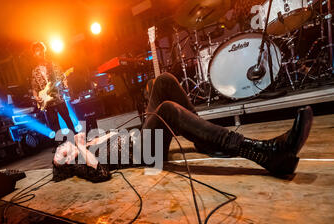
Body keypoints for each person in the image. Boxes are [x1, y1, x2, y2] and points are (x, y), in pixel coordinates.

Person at [52, 72, 313, 182]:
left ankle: (204, 139)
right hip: (145, 153)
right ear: (67, 164)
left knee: (163, 81)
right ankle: (266, 153)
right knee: (167, 109)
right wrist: (80, 149)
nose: (64, 146)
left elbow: (108, 136)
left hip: (141, 135)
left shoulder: (87, 145)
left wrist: (85, 141)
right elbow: (101, 175)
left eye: (61, 147)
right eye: (61, 155)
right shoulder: (84, 166)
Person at [30, 41, 76, 134]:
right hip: (47, 102)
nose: (39, 52)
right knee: (55, 126)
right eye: (37, 51)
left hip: (58, 98)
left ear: (44, 51)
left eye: (41, 50)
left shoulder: (54, 65)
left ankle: (76, 139)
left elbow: (62, 76)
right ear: (34, 54)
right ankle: (62, 144)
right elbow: (34, 88)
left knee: (68, 120)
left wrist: (65, 83)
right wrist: (36, 97)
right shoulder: (34, 72)